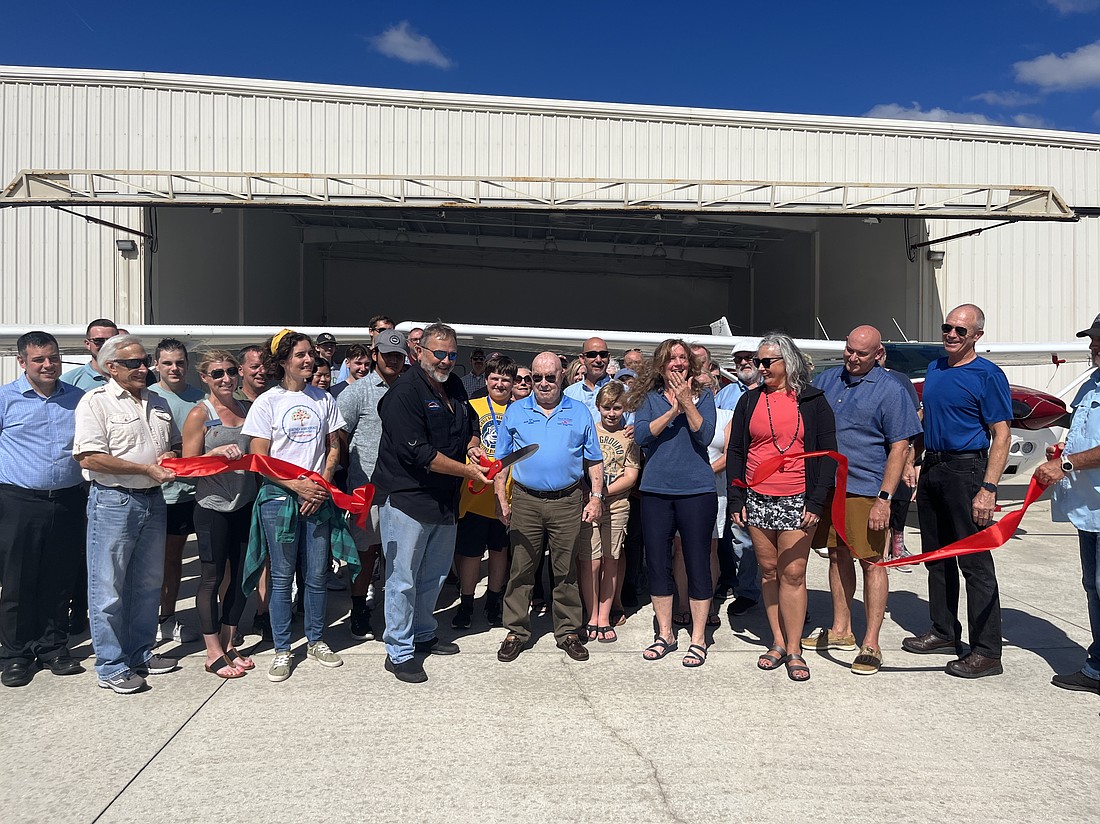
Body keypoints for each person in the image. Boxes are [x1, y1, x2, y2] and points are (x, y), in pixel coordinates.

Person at [373, 323, 488, 683]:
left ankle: (422, 633)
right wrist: (468, 472)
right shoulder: (404, 394)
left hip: (444, 499)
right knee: (402, 578)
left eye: (452, 354)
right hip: (408, 498)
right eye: (439, 353)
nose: (445, 360)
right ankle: (399, 650)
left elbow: (469, 423)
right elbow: (420, 453)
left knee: (435, 573)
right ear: (418, 352)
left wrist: (473, 446)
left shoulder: (453, 385)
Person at [902, 304, 1012, 679]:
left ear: (976, 336)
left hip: (967, 469)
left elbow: (1001, 433)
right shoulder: (935, 368)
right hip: (934, 466)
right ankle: (945, 631)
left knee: (974, 563)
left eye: (960, 331)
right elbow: (926, 418)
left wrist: (989, 488)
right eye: (947, 327)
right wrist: (910, 459)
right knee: (936, 556)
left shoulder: (988, 375)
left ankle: (987, 651)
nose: (950, 334)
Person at [804, 326, 922, 675]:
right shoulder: (827, 380)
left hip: (865, 488)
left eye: (862, 354)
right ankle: (841, 629)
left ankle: (871, 642)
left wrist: (884, 499)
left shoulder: (891, 389)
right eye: (849, 350)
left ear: (878, 353)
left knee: (872, 561)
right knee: (837, 554)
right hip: (828, 488)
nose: (853, 359)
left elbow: (900, 447)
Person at [73, 334, 181, 694]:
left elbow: (173, 446)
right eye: (133, 363)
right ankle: (110, 664)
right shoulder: (96, 403)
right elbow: (88, 457)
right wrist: (146, 470)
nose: (143, 368)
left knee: (148, 584)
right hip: (113, 502)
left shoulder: (158, 401)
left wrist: (169, 459)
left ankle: (140, 652)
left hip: (153, 500)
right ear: (111, 368)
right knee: (108, 588)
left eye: (144, 360)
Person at [242, 330, 350, 683]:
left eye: (311, 355)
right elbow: (258, 458)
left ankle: (317, 639)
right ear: (283, 361)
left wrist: (320, 484)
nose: (309, 361)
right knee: (282, 576)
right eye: (301, 355)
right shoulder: (267, 403)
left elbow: (334, 446)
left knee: (317, 574)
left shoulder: (323, 399)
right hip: (278, 499)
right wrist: (294, 485)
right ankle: (283, 648)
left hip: (317, 497)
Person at [728, 333, 836, 682]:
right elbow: (736, 452)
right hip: (758, 497)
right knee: (770, 571)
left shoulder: (814, 401)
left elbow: (828, 453)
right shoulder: (750, 401)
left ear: (786, 362)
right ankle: (776, 641)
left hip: (798, 499)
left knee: (793, 573)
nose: (759, 368)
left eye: (766, 362)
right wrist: (736, 497)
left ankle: (794, 649)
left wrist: (817, 500)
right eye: (758, 362)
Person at [495, 352, 603, 664]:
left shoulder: (580, 412)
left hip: (568, 501)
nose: (543, 383)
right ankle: (516, 630)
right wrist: (502, 499)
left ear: (562, 376)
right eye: (536, 377)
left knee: (565, 568)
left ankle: (568, 631)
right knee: (522, 568)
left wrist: (596, 497)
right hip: (526, 500)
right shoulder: (516, 411)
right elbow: (502, 462)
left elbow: (594, 458)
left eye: (550, 377)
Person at [0, 332, 87, 687]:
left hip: (67, 499)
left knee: (59, 577)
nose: (48, 365)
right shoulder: (6, 399)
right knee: (18, 580)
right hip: (19, 501)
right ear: (22, 362)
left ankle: (53, 647)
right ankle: (15, 654)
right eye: (38, 360)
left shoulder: (78, 399)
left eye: (52, 357)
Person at [628, 339, 717, 668]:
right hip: (656, 490)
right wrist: (673, 410)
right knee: (659, 563)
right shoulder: (649, 399)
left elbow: (704, 435)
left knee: (696, 560)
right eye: (671, 359)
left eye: (682, 358)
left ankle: (697, 637)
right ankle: (665, 633)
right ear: (661, 365)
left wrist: (687, 403)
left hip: (697, 491)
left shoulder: (704, 396)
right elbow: (641, 435)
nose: (678, 363)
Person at [182, 350, 257, 679]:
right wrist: (212, 454)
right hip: (212, 507)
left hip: (245, 503)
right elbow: (186, 468)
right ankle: (212, 651)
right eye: (217, 374)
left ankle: (228, 643)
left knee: (242, 578)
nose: (226, 378)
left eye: (230, 371)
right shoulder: (200, 413)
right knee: (211, 578)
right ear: (205, 378)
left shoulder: (248, 409)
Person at [1037, 313, 1100, 695]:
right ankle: (1097, 666)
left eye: (1098, 339)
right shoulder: (1092, 385)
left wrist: (1065, 463)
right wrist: (1063, 450)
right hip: (1088, 508)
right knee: (1093, 586)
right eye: (1092, 339)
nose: (1092, 345)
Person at [337, 329, 407, 642]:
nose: (393, 359)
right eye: (387, 354)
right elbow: (338, 433)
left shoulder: (410, 388)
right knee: (365, 555)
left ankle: (392, 614)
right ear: (375, 354)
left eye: (398, 355)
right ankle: (359, 610)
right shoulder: (357, 392)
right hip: (367, 489)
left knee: (397, 556)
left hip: (403, 489)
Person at [453, 354, 516, 630]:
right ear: (486, 380)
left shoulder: (521, 409)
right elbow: (464, 440)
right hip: (475, 493)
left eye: (505, 379)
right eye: (494, 378)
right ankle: (466, 603)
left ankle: (493, 600)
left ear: (513, 383)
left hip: (510, 493)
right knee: (471, 553)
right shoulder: (472, 406)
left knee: (499, 550)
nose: (500, 384)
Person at [149, 339, 204, 645]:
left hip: (192, 494)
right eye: (167, 362)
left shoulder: (200, 398)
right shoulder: (147, 397)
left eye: (180, 362)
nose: (174, 368)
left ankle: (167, 617)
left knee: (174, 559)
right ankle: (148, 618)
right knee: (150, 562)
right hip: (157, 493)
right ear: (157, 364)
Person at [577, 381, 639, 643]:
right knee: (590, 561)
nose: (612, 413)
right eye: (606, 408)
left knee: (611, 560)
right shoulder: (590, 431)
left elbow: (631, 475)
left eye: (617, 408)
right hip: (588, 505)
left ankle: (604, 615)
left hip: (616, 505)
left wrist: (602, 493)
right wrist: (592, 495)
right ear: (598, 407)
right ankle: (590, 614)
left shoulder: (629, 436)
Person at [61, 318, 119, 390]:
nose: (105, 345)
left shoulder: (131, 377)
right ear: (87, 344)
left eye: (111, 340)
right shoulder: (69, 381)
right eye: (98, 341)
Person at [564, 336, 612, 419]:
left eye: (603, 355)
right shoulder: (569, 394)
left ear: (608, 358)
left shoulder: (623, 391)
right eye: (592, 355)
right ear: (582, 359)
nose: (598, 360)